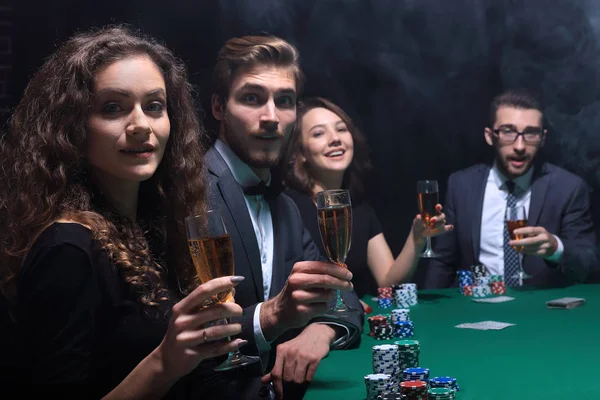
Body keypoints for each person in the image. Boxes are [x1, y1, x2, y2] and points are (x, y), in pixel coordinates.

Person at [0, 25, 247, 398]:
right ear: (72, 128)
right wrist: (163, 363)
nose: (140, 126)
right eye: (113, 108)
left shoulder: (150, 223)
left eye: (154, 106)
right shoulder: (68, 248)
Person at [205, 36, 362, 399]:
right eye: (252, 98)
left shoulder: (286, 208)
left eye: (285, 101)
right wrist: (270, 317)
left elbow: (344, 295)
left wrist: (318, 332)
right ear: (218, 107)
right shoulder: (187, 193)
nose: (272, 117)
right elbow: (163, 337)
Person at [424, 88, 598, 288]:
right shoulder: (461, 185)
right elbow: (443, 262)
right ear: (490, 136)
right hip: (476, 308)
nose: (520, 146)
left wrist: (555, 248)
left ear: (543, 138)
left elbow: (589, 263)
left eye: (531, 133)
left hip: (541, 311)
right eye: (508, 132)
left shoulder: (568, 188)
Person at [283, 97, 453, 300]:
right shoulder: (288, 208)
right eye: (319, 133)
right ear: (300, 153)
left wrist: (417, 239)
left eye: (341, 129)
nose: (335, 138)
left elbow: (388, 282)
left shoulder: (360, 210)